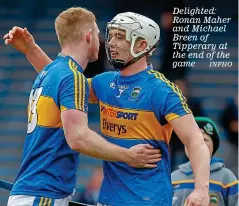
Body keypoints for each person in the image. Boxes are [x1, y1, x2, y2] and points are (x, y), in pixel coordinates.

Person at [4, 12, 211, 206]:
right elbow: (64, 83)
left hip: (148, 200)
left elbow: (195, 141)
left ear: (141, 45)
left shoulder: (163, 91)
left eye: (120, 37)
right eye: (110, 36)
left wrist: (201, 189)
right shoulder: (104, 83)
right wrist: (32, 51)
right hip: (107, 199)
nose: (111, 43)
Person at [171, 117, 239, 206]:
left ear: (214, 146)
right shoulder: (173, 177)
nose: (197, 145)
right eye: (192, 140)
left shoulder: (226, 177)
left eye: (204, 140)